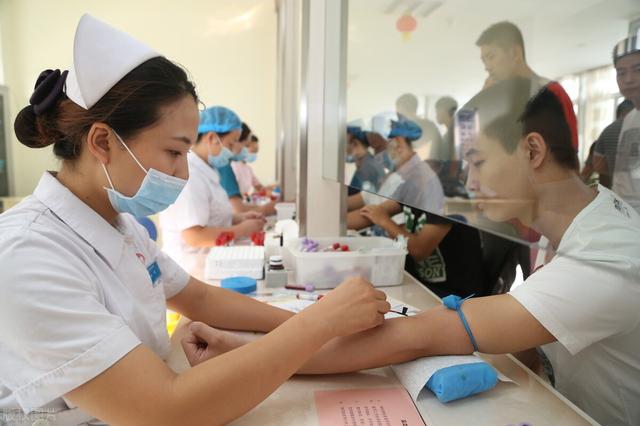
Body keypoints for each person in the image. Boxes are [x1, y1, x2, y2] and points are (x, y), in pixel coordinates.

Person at [0, 15, 390, 425]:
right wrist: (319, 323)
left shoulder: (118, 224)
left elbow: (200, 299)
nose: (184, 174)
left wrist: (307, 322)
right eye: (173, 152)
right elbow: (165, 410)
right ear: (102, 142)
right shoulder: (24, 255)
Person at [191, 79, 640, 426]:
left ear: (533, 150)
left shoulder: (603, 258)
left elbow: (414, 337)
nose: (469, 180)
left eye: (478, 161)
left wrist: (249, 355)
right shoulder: (578, 222)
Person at [159, 109, 266, 273]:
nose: (233, 151)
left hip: (211, 262)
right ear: (211, 138)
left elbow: (210, 216)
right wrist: (242, 230)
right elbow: (195, 236)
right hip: (190, 267)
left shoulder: (208, 170)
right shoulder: (191, 175)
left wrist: (240, 218)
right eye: (231, 144)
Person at [358, 200, 486, 298]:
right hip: (419, 282)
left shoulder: (447, 198)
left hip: (453, 293)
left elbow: (418, 251)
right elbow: (372, 213)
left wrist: (384, 221)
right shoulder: (412, 188)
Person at [347, 119, 444, 226]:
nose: (378, 156)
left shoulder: (416, 179)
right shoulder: (400, 175)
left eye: (381, 146)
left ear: (398, 143)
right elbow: (375, 204)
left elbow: (381, 214)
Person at [609, 33, 640, 213]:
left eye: (638, 69)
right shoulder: (629, 119)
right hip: (623, 215)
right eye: (621, 73)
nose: (629, 79)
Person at [476, 21, 549, 95]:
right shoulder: (501, 95)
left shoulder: (550, 92)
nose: (487, 68)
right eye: (484, 61)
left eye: (491, 57)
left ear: (515, 53)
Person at [593, 99, 634, 188]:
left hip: (618, 189)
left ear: (619, 113)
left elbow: (598, 165)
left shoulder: (607, 131)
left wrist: (614, 170)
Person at [396, 93, 442, 160]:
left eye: (399, 111)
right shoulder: (430, 125)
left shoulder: (429, 127)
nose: (397, 114)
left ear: (406, 109)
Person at [346, 129, 386, 195]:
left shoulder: (368, 167)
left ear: (355, 144)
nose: (346, 146)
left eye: (347, 142)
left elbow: (363, 196)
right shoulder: (362, 159)